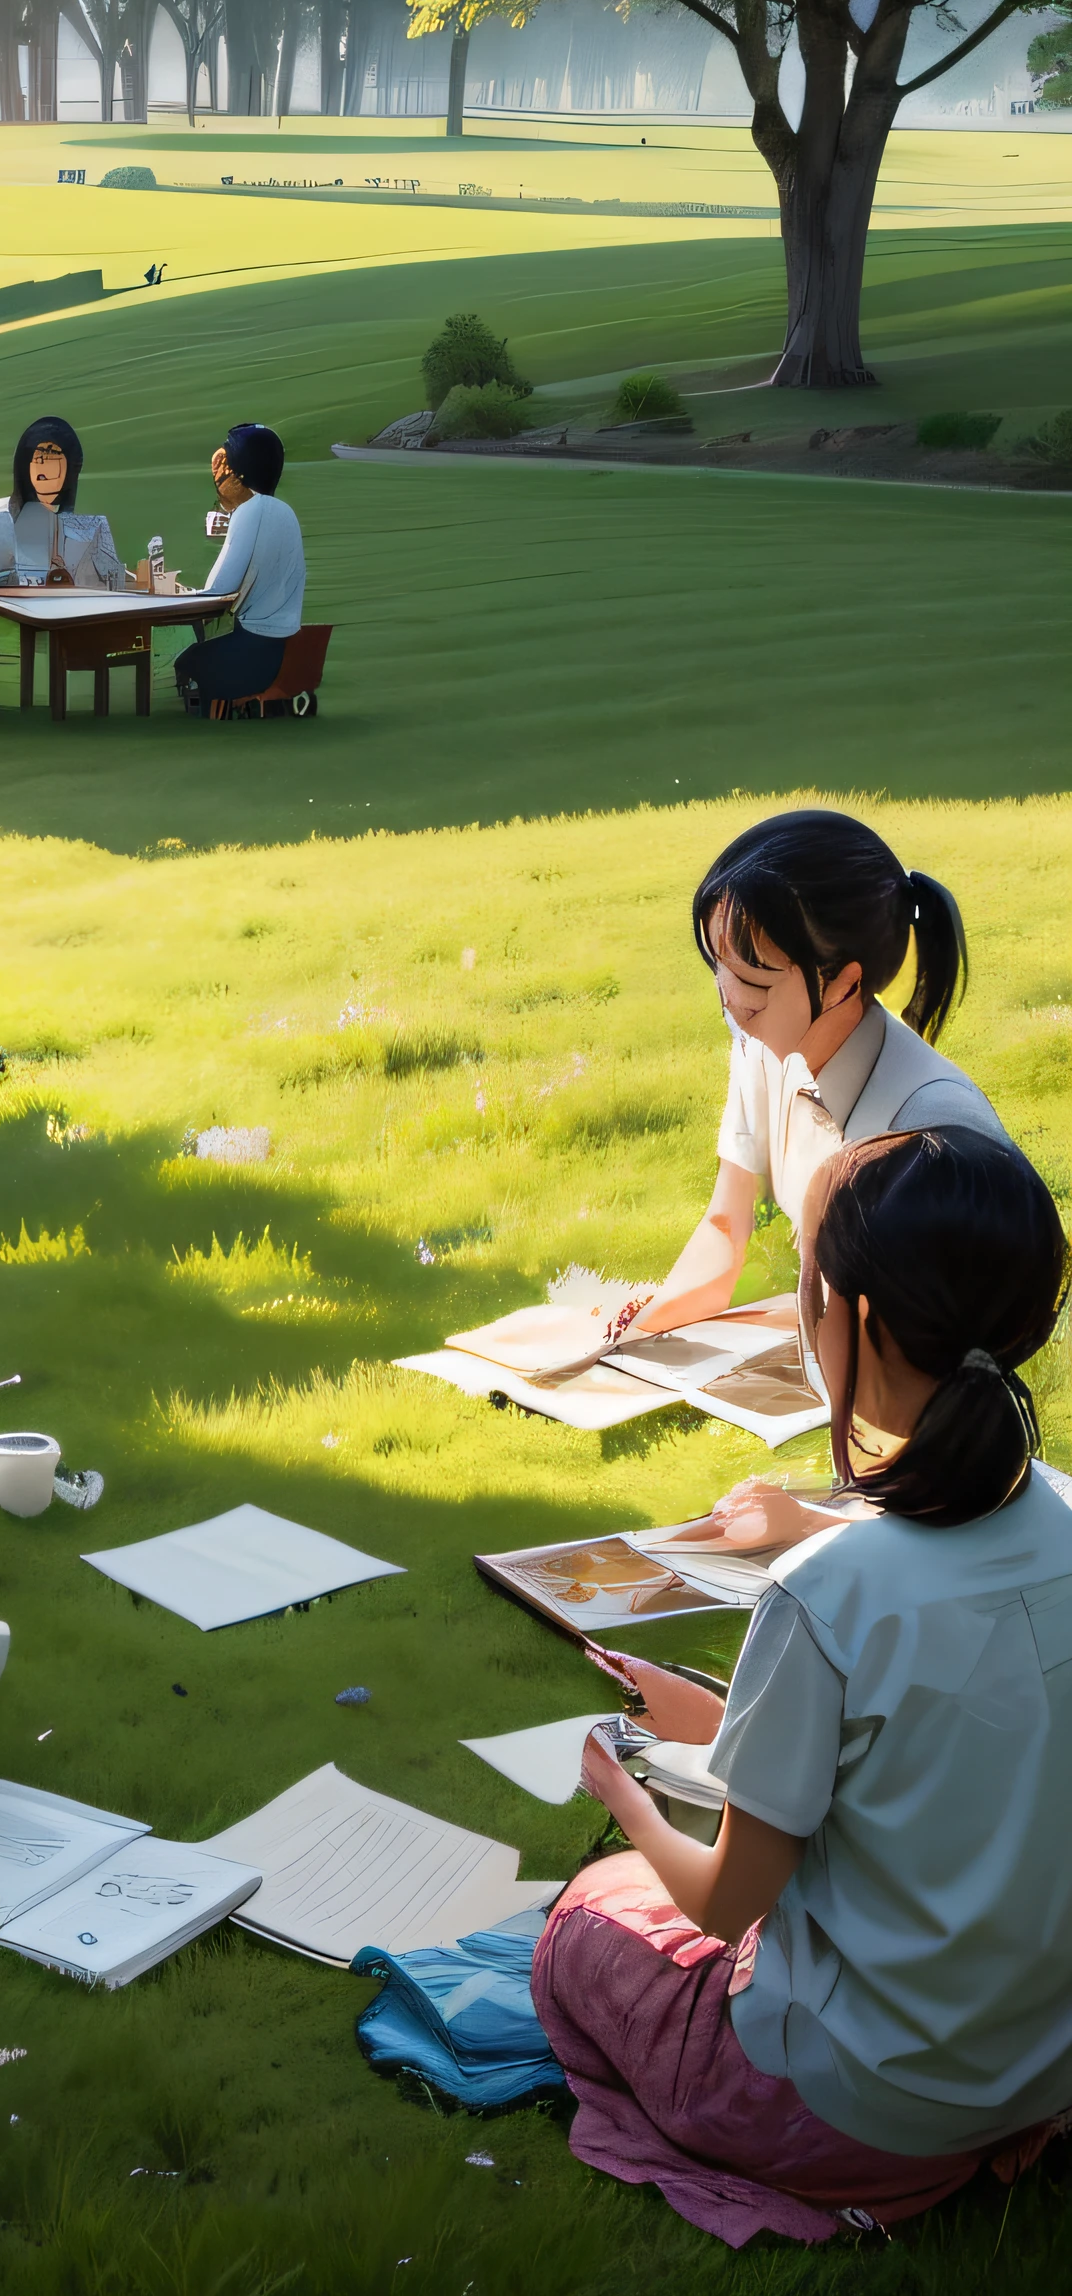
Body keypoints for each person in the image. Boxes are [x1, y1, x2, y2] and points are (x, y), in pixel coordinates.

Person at [535, 1126, 1072, 2247]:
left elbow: (730, 1902)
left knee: (590, 1916)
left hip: (859, 2100)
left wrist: (625, 1800)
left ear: (857, 1317)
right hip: (1038, 2059)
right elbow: (966, 1746)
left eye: (805, 1279)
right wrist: (729, 1725)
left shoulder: (826, 1591)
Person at [616, 808, 1006, 1343]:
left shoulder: (930, 1130)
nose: (729, 1000)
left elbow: (919, 1336)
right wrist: (635, 1335)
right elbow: (726, 1227)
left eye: (754, 986)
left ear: (844, 985)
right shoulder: (763, 1050)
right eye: (718, 968)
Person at [173, 420, 305, 713]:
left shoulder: (249, 512)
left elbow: (220, 589)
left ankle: (209, 717)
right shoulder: (285, 511)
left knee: (187, 660)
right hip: (284, 644)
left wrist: (183, 595)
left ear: (241, 469)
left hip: (254, 650)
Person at [0, 415, 135, 591]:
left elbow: (111, 587)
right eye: (36, 455)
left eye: (53, 454)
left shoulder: (90, 527)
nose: (42, 462)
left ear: (71, 465)